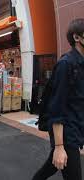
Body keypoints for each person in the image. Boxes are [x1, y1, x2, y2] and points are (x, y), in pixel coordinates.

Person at [32, 18, 84, 180]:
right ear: (77, 38)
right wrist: (59, 146)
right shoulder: (66, 64)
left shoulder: (81, 64)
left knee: (51, 166)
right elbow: (57, 107)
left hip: (76, 126)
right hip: (66, 131)